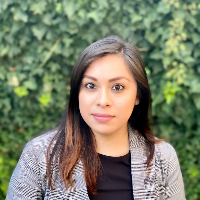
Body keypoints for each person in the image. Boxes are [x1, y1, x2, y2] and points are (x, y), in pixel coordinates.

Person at [6, 36, 185, 200]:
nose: (103, 101)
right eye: (90, 85)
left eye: (118, 87)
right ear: (77, 92)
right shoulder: (39, 156)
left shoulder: (163, 158)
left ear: (138, 95)